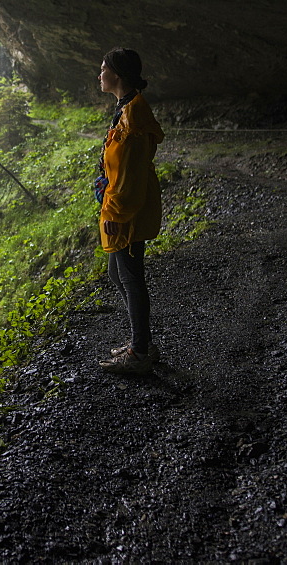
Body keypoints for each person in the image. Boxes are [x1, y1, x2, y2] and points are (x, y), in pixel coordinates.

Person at [95, 48, 164, 375]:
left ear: (117, 75)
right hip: (123, 205)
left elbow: (128, 179)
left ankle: (140, 352)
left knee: (132, 278)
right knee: (117, 274)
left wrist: (112, 214)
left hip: (127, 212)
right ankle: (142, 342)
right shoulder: (126, 107)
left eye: (103, 69)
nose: (99, 75)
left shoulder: (132, 118)